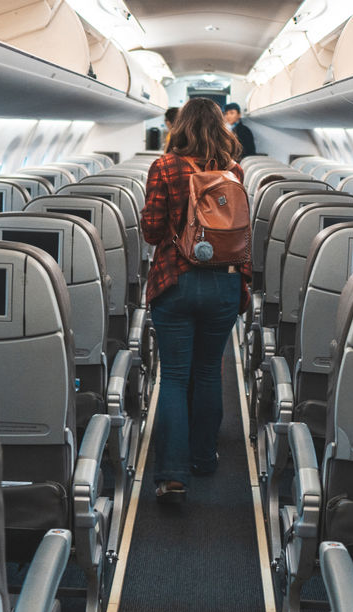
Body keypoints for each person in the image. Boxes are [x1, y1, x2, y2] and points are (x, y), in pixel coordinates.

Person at [140, 97, 250, 503]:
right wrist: (243, 284)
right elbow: (241, 236)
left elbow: (152, 231)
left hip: (176, 280)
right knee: (208, 373)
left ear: (179, 126)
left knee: (174, 376)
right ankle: (205, 458)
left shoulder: (165, 166)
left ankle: (172, 476)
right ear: (220, 128)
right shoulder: (233, 170)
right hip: (222, 283)